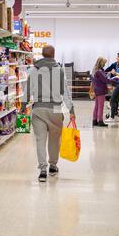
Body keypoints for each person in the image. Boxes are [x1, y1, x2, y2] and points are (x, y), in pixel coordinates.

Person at [25, 46, 76, 183]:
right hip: (56, 108)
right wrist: (71, 110)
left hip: (39, 108)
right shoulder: (59, 70)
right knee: (55, 139)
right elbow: (65, 92)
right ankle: (53, 166)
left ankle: (42, 170)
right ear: (53, 55)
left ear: (42, 54)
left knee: (40, 140)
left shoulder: (34, 70)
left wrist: (23, 106)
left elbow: (27, 90)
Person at [90, 57, 117, 127]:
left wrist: (108, 73)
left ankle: (95, 120)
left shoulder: (95, 70)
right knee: (100, 106)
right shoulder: (99, 72)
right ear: (101, 63)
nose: (105, 64)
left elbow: (102, 75)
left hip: (97, 90)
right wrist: (116, 79)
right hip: (101, 90)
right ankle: (100, 121)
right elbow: (106, 80)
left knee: (96, 106)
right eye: (104, 63)